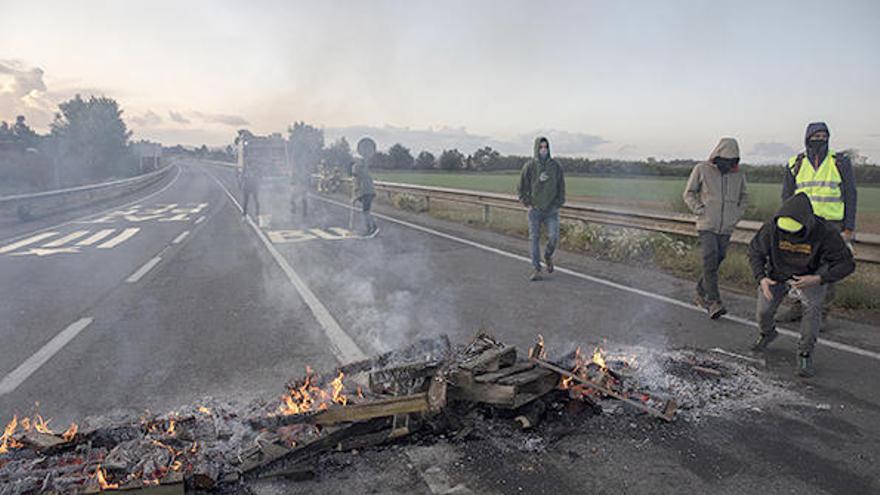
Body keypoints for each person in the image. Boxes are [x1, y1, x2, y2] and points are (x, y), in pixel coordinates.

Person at [748, 193, 855, 377]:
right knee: (763, 311)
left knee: (813, 310)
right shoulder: (771, 228)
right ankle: (767, 333)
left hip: (811, 276)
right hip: (777, 274)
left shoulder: (825, 232)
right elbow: (755, 252)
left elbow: (847, 264)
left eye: (795, 233)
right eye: (786, 233)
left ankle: (805, 353)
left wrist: (819, 279)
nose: (789, 236)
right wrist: (761, 278)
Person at [777, 122, 858, 323]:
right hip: (803, 224)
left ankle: (821, 314)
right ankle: (797, 307)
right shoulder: (795, 163)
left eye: (824, 136)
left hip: (831, 224)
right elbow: (787, 197)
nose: (820, 139)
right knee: (799, 264)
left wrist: (849, 227)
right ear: (807, 138)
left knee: (828, 269)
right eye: (816, 135)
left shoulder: (840, 162)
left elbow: (850, 195)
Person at [683, 138, 748, 319]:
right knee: (710, 257)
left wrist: (735, 216)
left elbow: (744, 198)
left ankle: (699, 291)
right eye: (724, 160)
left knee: (718, 258)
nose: (727, 164)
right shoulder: (701, 169)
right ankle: (714, 302)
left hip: (726, 226)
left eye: (731, 160)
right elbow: (689, 193)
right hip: (707, 225)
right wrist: (700, 211)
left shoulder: (739, 175)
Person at [517, 136, 565, 281]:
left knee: (553, 237)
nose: (543, 150)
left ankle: (548, 255)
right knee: (534, 239)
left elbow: (561, 187)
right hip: (535, 210)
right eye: (541, 147)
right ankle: (537, 269)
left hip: (551, 210)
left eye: (546, 147)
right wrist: (527, 203)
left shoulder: (555, 166)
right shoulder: (530, 166)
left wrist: (558, 203)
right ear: (536, 149)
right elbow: (521, 188)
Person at [352, 137, 378, 236]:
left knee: (366, 211)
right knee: (366, 211)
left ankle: (372, 228)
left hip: (367, 192)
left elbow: (357, 184)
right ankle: (371, 227)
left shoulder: (360, 172)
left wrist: (355, 195)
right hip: (368, 192)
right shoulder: (363, 171)